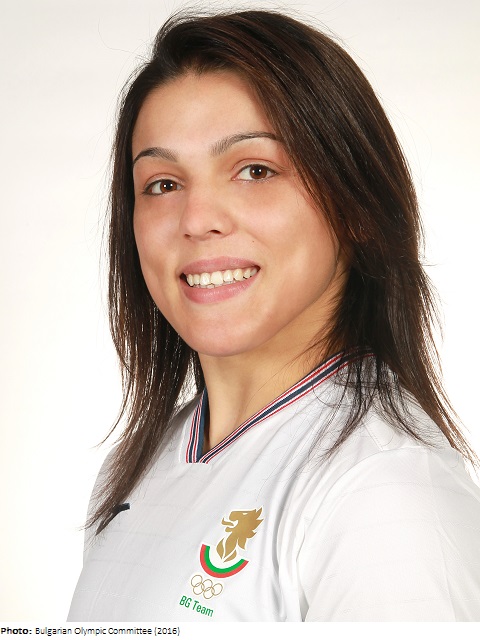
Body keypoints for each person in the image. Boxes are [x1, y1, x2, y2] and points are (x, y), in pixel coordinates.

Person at [68, 9, 480, 621]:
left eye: (255, 171)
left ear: (357, 207)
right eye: (162, 183)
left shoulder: (386, 490)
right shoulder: (131, 471)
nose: (196, 220)